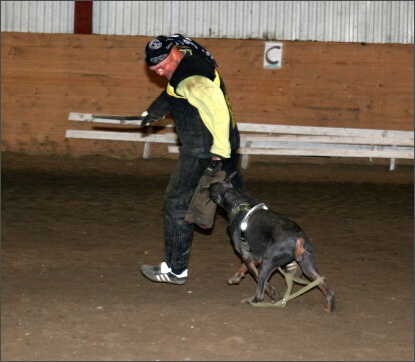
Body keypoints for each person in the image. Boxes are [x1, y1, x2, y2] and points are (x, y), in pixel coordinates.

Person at [139, 34, 258, 285]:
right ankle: (278, 243)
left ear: (173, 54)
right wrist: (155, 110)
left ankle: (175, 270)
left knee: (176, 203)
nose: (160, 73)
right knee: (240, 205)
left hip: (203, 152)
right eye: (154, 69)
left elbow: (218, 111)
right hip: (223, 147)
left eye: (162, 67)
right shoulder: (189, 59)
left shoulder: (193, 80)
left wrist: (218, 153)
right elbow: (173, 90)